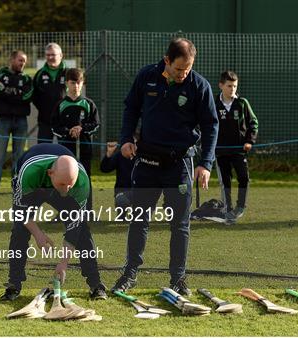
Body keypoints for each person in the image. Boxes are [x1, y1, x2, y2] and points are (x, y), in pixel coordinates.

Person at [111, 38, 219, 296]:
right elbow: (131, 109)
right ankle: (130, 273)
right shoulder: (147, 76)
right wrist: (126, 139)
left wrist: (205, 163)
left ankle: (178, 278)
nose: (184, 74)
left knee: (179, 224)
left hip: (179, 164)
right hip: (147, 162)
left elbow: (210, 125)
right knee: (140, 220)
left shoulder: (199, 86)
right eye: (180, 68)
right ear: (167, 60)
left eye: (189, 68)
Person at [1, 143, 107, 301]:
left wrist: (63, 263)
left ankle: (96, 285)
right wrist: (38, 235)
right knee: (19, 230)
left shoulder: (80, 183)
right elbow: (20, 212)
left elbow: (75, 227)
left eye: (70, 184)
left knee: (83, 231)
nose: (66, 189)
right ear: (50, 173)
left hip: (58, 183)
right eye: (63, 185)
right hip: (36, 186)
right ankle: (13, 285)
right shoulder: (29, 172)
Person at [0, 50, 33, 195]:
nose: (22, 63)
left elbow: (27, 96)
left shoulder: (27, 79)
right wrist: (17, 94)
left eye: (24, 61)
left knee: (19, 155)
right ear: (12, 60)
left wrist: (7, 94)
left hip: (21, 121)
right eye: (20, 60)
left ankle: (17, 188)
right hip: (3, 119)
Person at [214, 70, 258, 222]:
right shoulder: (213, 103)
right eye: (229, 86)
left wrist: (249, 141)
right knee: (225, 181)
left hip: (239, 150)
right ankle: (228, 209)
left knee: (244, 178)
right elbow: (206, 125)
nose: (232, 89)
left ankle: (240, 207)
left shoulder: (242, 103)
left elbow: (254, 123)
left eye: (234, 86)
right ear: (221, 86)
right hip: (220, 151)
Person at [51, 68, 99, 176]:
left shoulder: (89, 104)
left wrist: (82, 129)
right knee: (67, 176)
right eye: (73, 83)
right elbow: (54, 127)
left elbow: (95, 124)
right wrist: (69, 131)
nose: (76, 86)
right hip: (65, 149)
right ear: (67, 83)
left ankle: (86, 193)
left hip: (85, 148)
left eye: (78, 83)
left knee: (85, 175)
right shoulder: (60, 105)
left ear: (82, 83)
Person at [33, 43, 67, 144]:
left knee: (65, 150)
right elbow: (34, 96)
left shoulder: (68, 73)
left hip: (64, 120)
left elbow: (76, 94)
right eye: (48, 55)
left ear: (61, 55)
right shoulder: (39, 74)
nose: (50, 57)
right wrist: (44, 108)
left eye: (53, 55)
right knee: (44, 150)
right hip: (45, 120)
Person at [99, 141, 134, 209]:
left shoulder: (143, 156)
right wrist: (109, 154)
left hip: (139, 191)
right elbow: (104, 169)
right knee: (121, 201)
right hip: (122, 192)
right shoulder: (120, 155)